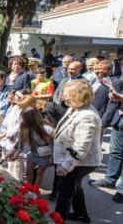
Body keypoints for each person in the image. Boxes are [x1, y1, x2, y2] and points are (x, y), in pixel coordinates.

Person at [53, 80, 102, 223]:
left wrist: (65, 167)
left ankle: (59, 220)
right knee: (75, 186)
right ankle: (82, 215)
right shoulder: (76, 108)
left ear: (77, 96)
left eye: (66, 94)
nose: (62, 96)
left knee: (65, 190)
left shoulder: (87, 115)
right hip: (75, 159)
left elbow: (80, 148)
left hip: (80, 162)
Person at [89, 64, 123, 204]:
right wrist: (117, 98)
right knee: (115, 152)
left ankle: (121, 189)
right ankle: (110, 180)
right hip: (119, 120)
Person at [7, 106, 54, 186]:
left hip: (47, 152)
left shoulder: (47, 128)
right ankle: (29, 187)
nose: (23, 120)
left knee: (40, 172)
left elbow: (55, 142)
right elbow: (21, 141)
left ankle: (35, 191)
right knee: (28, 170)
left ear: (31, 119)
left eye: (24, 119)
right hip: (35, 151)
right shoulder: (25, 126)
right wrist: (15, 152)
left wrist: (53, 156)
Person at [46, 61, 85, 127]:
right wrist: (56, 102)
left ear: (79, 69)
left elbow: (81, 98)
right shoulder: (65, 80)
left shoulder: (83, 82)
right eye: (68, 69)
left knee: (49, 106)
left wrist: (66, 98)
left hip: (71, 109)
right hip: (59, 106)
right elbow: (56, 92)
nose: (69, 71)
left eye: (72, 69)